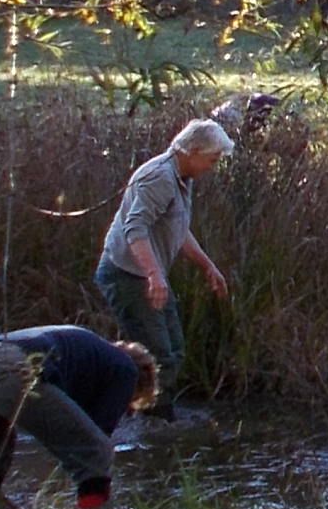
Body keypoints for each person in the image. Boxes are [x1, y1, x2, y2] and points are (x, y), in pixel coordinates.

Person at [0, 323, 157, 509]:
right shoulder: (126, 369)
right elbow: (94, 439)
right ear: (139, 383)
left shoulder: (86, 352)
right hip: (7, 368)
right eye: (129, 403)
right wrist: (103, 504)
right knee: (97, 452)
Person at [95, 116, 234, 392]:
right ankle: (146, 420)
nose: (213, 167)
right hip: (126, 275)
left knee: (174, 350)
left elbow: (178, 229)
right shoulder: (159, 177)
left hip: (146, 275)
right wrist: (154, 274)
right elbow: (135, 227)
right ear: (193, 152)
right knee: (158, 358)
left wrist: (208, 267)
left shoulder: (182, 177)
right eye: (213, 159)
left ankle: (146, 416)